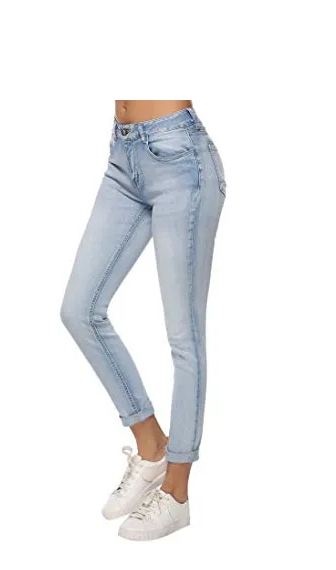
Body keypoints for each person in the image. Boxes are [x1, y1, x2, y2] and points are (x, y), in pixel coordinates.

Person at [60, 98, 226, 540]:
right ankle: (152, 447)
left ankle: (177, 493)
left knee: (184, 338)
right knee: (79, 310)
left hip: (180, 158)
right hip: (123, 155)